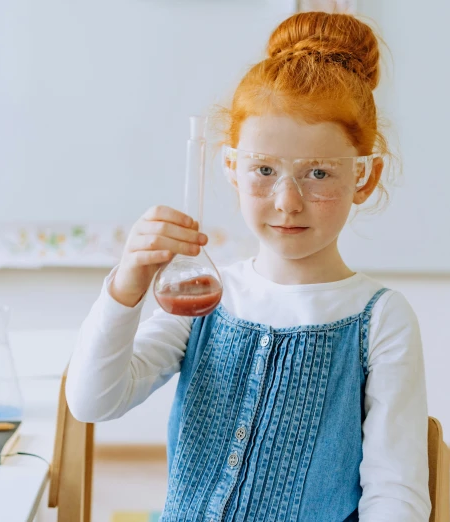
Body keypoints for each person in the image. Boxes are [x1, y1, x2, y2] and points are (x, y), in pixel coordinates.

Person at [67, 11, 431, 521]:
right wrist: (127, 285)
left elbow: (395, 493)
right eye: (264, 170)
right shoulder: (204, 295)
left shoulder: (381, 318)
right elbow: (93, 402)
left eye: (319, 173)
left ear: (365, 179)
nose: (287, 201)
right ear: (231, 168)